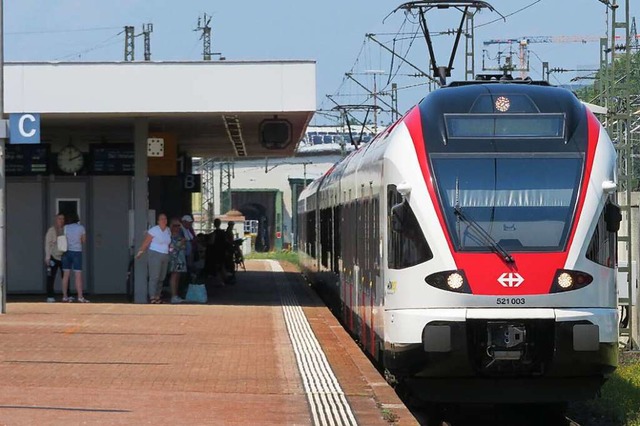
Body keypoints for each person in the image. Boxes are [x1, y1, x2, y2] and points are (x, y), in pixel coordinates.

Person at [136, 213, 171, 304]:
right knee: (154, 276)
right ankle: (152, 297)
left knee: (162, 277)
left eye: (165, 219)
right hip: (155, 254)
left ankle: (157, 296)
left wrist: (171, 249)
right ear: (158, 221)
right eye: (162, 219)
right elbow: (146, 242)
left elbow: (169, 243)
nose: (164, 220)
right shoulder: (153, 230)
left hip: (165, 254)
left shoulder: (168, 230)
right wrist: (140, 252)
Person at [60, 211, 88, 303]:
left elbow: (63, 239)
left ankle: (65, 296)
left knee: (66, 275)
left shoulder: (66, 227)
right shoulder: (81, 228)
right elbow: (83, 240)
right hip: (77, 252)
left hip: (66, 252)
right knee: (78, 275)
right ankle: (80, 296)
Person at [44, 213, 65, 303]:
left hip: (64, 257)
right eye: (59, 218)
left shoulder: (66, 230)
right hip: (53, 256)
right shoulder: (51, 230)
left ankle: (66, 295)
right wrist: (47, 256)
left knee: (65, 277)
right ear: (56, 219)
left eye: (63, 219)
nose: (61, 220)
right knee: (51, 277)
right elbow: (47, 244)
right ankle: (50, 296)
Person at [204, 218, 230, 285]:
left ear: (214, 224)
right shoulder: (223, 233)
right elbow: (226, 241)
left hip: (215, 251)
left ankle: (220, 281)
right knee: (222, 265)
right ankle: (225, 279)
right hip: (223, 251)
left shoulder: (214, 233)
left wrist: (206, 243)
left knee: (217, 266)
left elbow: (211, 242)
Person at [168, 218, 187, 304]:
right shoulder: (169, 236)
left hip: (180, 259)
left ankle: (176, 295)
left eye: (178, 225)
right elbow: (171, 249)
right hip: (174, 259)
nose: (177, 227)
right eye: (175, 225)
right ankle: (173, 296)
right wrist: (180, 244)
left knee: (178, 276)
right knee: (174, 276)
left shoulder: (180, 235)